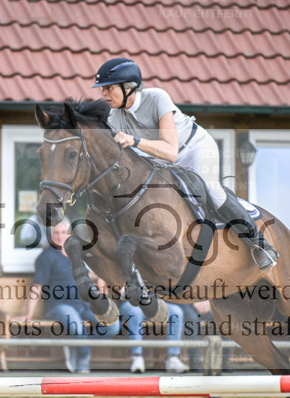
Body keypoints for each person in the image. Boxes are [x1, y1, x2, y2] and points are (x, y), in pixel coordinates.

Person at [92, 57, 278, 270]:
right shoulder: (113, 117)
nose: (103, 94)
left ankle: (260, 245)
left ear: (129, 88)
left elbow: (170, 151)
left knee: (211, 191)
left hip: (193, 148)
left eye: (108, 88)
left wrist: (134, 140)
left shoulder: (157, 98)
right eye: (102, 89)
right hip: (159, 161)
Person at [17, 219, 120, 373]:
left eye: (63, 232)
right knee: (77, 326)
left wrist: (99, 279)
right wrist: (29, 314)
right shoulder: (46, 257)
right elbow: (37, 286)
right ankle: (82, 362)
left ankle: (77, 344)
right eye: (56, 233)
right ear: (51, 235)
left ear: (70, 234)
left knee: (113, 326)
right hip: (60, 306)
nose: (59, 236)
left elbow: (90, 275)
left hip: (84, 304)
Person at [117, 300, 188, 374]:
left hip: (154, 302)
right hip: (131, 303)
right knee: (135, 312)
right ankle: (137, 357)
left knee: (176, 312)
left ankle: (173, 358)